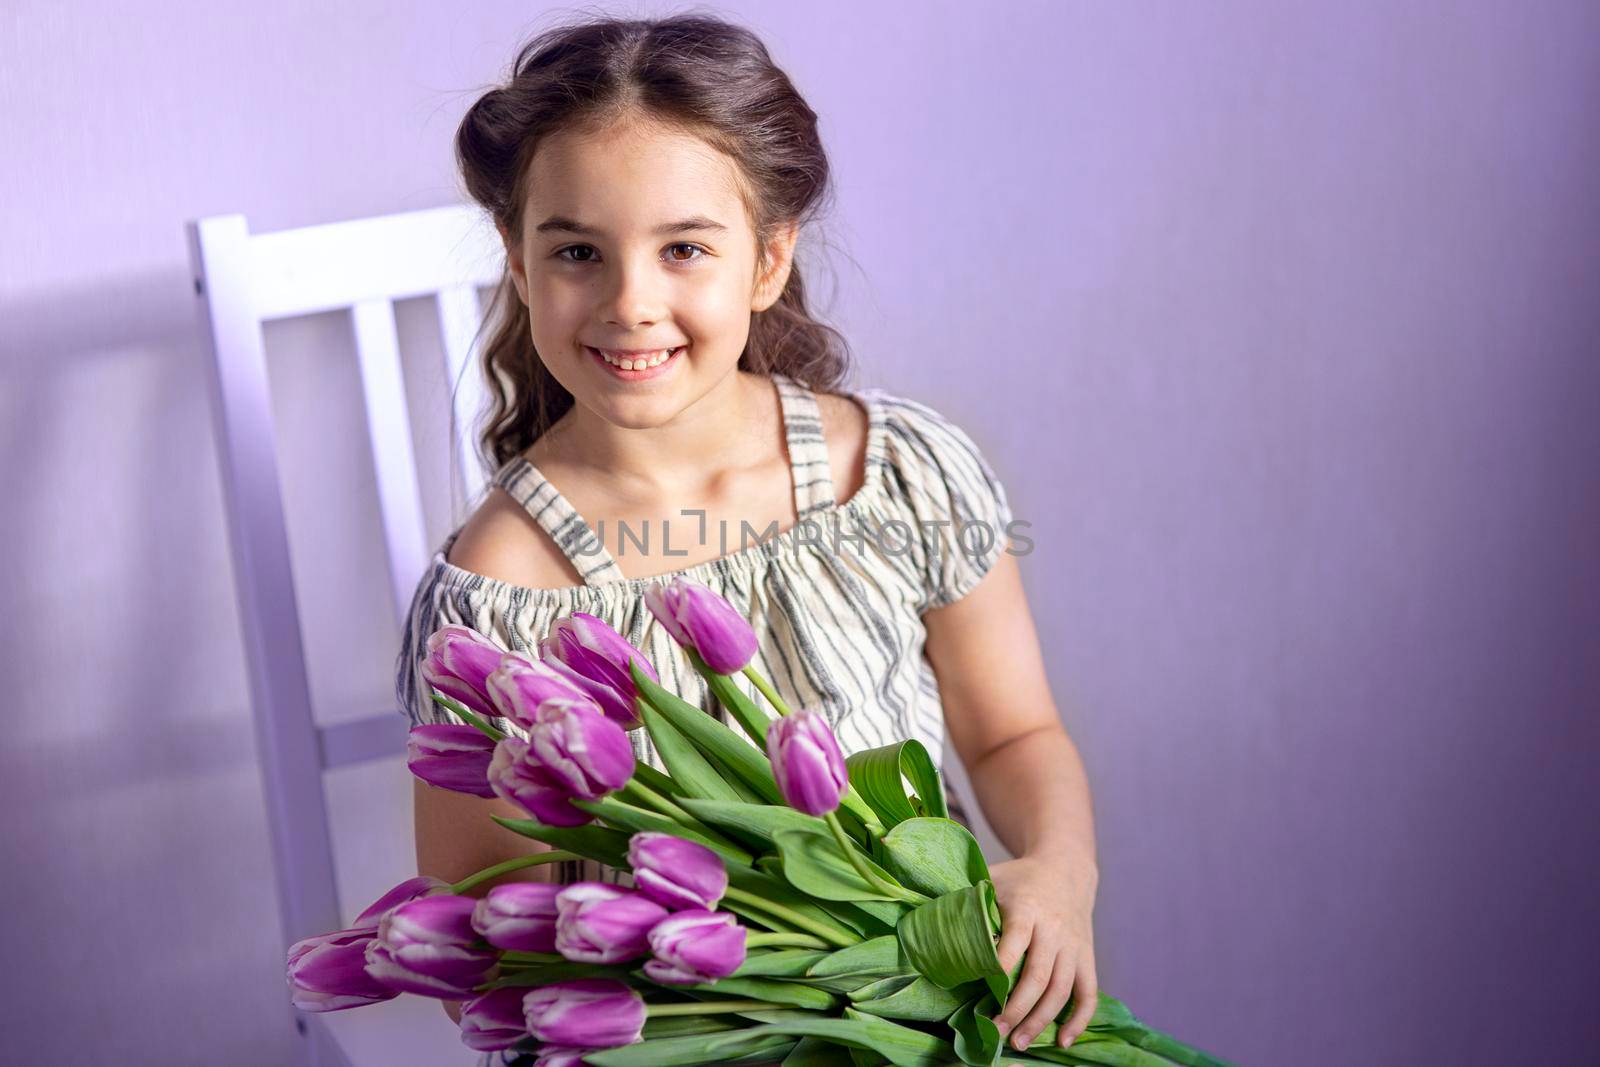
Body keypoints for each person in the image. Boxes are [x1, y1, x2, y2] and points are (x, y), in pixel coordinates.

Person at [394, 12, 1099, 1064]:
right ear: (519, 260)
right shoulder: (497, 597)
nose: (632, 304)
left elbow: (1012, 737)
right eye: (578, 251)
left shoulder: (897, 475)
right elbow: (494, 948)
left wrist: (1058, 869)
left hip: (941, 1002)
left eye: (684, 248)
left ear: (768, 260)